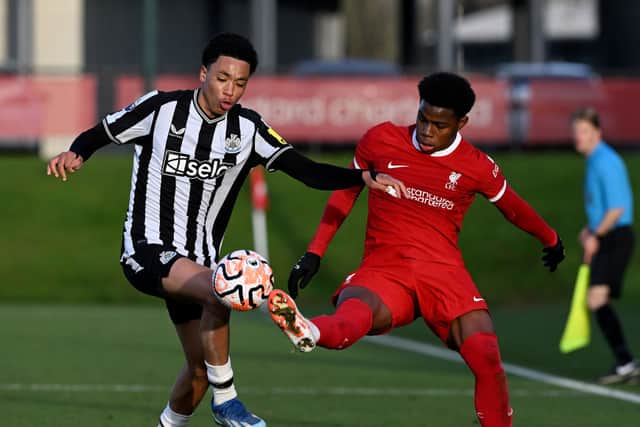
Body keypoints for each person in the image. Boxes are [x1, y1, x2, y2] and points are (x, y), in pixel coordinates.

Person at [45, 33, 406, 427]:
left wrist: (362, 176)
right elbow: (101, 132)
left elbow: (304, 169)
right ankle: (228, 400)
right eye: (222, 78)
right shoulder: (161, 109)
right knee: (225, 286)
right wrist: (76, 152)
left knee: (200, 370)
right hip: (145, 249)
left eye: (240, 83)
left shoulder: (249, 129)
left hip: (197, 263)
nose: (230, 90)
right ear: (203, 73)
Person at [268, 72, 566, 427]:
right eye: (424, 118)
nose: (427, 130)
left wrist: (550, 239)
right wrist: (315, 252)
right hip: (385, 268)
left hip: (444, 273)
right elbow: (346, 193)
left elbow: (513, 207)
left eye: (440, 125)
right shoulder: (380, 140)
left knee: (486, 356)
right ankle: (309, 331)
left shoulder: (476, 166)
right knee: (354, 317)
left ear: (462, 123)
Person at [572, 107, 637, 384]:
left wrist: (595, 236)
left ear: (597, 132)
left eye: (584, 131)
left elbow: (617, 208)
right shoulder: (595, 160)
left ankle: (625, 362)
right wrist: (589, 230)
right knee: (598, 299)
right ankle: (625, 362)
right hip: (608, 235)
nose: (578, 137)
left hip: (615, 237)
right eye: (576, 132)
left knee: (596, 299)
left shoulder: (604, 161)